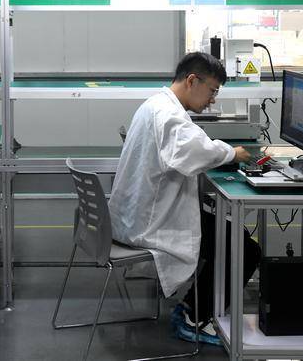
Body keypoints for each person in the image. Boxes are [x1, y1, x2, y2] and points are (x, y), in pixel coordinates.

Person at [108, 52, 260, 346]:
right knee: (245, 249)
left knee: (233, 234)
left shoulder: (155, 104)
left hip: (137, 215)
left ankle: (196, 306)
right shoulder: (170, 116)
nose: (212, 100)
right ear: (192, 81)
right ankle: (192, 316)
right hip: (152, 225)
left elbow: (190, 148)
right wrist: (233, 153)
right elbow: (195, 150)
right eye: (212, 91)